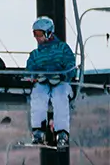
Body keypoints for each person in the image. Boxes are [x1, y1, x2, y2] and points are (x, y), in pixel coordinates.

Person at [25, 16, 76, 148]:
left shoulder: (63, 48)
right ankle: (38, 132)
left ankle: (62, 133)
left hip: (60, 82)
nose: (37, 37)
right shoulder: (35, 54)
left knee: (60, 97)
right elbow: (30, 69)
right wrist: (35, 76)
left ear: (48, 33)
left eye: (39, 34)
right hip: (43, 82)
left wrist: (63, 76)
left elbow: (71, 65)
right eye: (34, 34)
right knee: (38, 96)